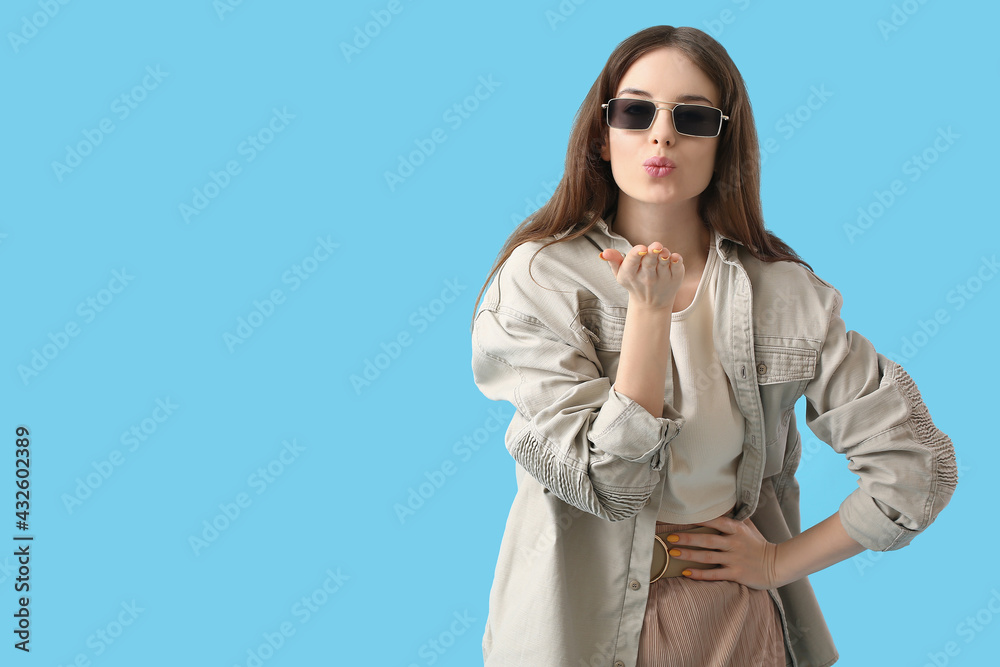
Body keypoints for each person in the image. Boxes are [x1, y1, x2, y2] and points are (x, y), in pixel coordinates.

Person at [468, 24, 957, 667]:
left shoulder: (786, 293)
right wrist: (649, 314)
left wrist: (779, 561)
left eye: (692, 117)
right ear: (601, 132)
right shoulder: (540, 280)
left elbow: (919, 467)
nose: (661, 134)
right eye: (636, 111)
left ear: (724, 142)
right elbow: (608, 484)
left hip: (737, 627)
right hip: (575, 627)